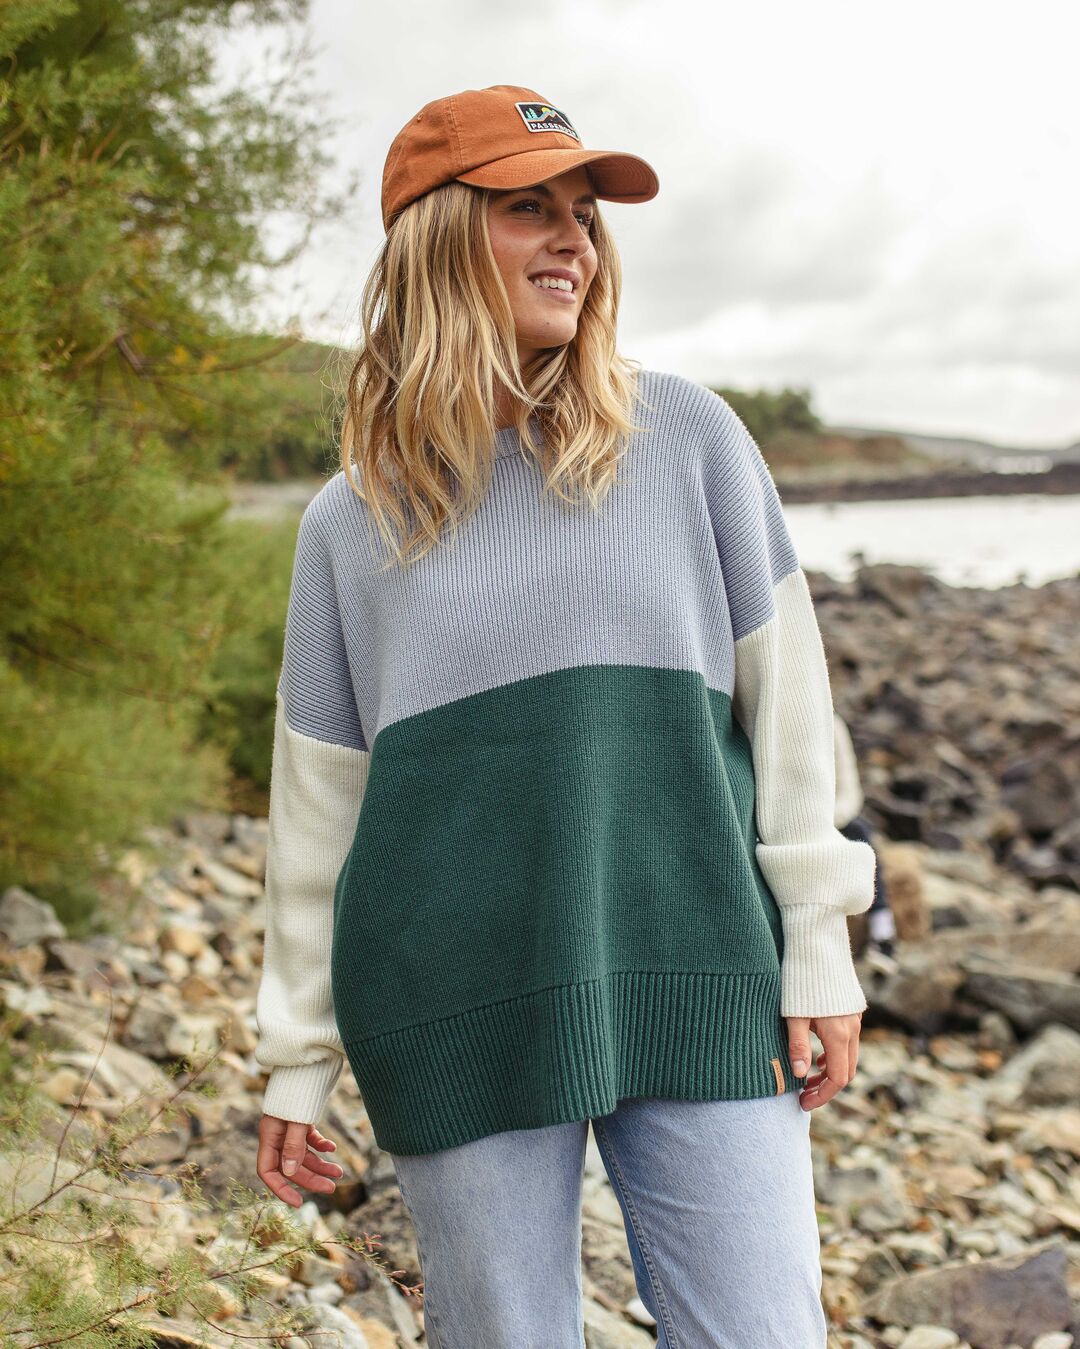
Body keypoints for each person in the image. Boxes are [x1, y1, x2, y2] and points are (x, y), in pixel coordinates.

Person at [252, 84, 877, 1348]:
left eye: (583, 214)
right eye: (528, 208)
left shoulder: (687, 440)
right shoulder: (346, 526)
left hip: (701, 961)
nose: (573, 241)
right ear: (437, 238)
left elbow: (794, 721)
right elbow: (317, 814)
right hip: (450, 998)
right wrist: (297, 1054)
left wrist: (820, 943)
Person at [834, 711, 896, 957]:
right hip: (783, 818)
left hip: (831, 818)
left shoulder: (833, 725)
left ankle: (882, 931)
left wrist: (825, 821)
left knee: (861, 834)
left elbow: (849, 789)